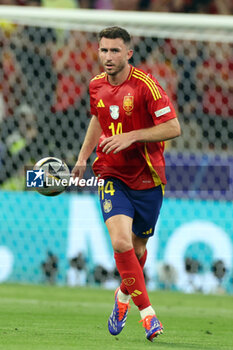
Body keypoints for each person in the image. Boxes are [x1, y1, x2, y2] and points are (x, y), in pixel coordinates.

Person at [72, 26, 181, 342]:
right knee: (120, 243)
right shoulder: (95, 86)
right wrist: (82, 158)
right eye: (103, 50)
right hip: (110, 175)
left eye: (114, 50)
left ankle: (122, 298)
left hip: (147, 178)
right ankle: (148, 316)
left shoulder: (147, 86)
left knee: (137, 249)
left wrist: (132, 136)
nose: (107, 57)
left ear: (128, 53)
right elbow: (97, 117)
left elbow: (173, 127)